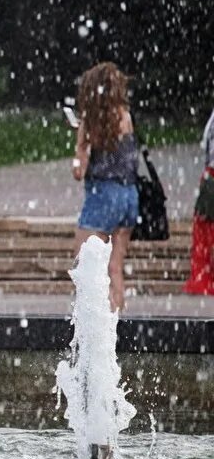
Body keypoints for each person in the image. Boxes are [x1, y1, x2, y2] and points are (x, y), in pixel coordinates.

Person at [69, 62, 138, 312]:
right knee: (114, 267)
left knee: (84, 266)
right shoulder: (125, 116)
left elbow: (79, 171)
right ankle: (115, 333)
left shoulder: (91, 123)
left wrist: (79, 146)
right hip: (129, 196)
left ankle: (92, 327)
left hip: (103, 197)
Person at [182, 109, 214, 294]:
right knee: (205, 229)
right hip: (210, 178)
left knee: (204, 230)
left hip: (211, 177)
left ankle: (203, 278)